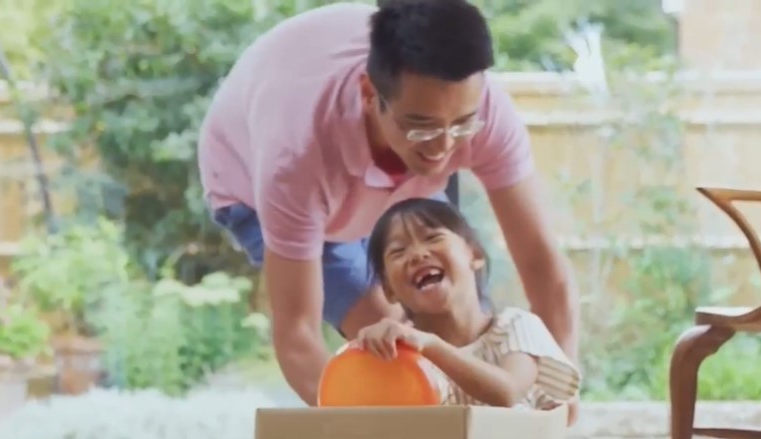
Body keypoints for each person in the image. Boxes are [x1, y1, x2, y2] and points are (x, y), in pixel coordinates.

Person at [197, 0, 578, 411]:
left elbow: (541, 262)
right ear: (368, 94)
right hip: (254, 182)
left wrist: (561, 393)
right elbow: (296, 335)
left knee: (447, 314)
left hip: (387, 168)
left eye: (461, 124)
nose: (445, 147)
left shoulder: (484, 115)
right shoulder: (296, 158)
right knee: (390, 341)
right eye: (422, 125)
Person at [353, 197, 581, 411]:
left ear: (475, 254)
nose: (417, 254)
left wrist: (431, 345)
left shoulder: (516, 327)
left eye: (432, 238)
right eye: (398, 251)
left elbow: (509, 392)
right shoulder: (401, 358)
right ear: (388, 289)